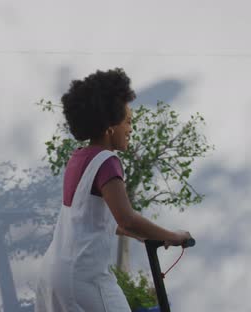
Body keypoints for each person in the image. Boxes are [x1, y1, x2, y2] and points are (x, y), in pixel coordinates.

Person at [35, 68, 192, 312]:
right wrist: (172, 235)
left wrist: (139, 235)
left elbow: (89, 217)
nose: (131, 129)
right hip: (84, 279)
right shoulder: (107, 161)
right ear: (109, 127)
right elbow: (126, 218)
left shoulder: (79, 158)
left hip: (54, 274)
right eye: (128, 122)